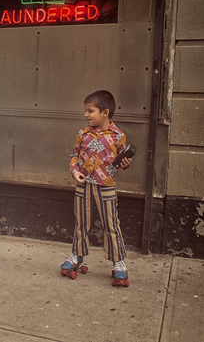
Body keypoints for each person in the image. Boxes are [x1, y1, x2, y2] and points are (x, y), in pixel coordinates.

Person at [61, 90, 133, 286]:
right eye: (86, 111)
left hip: (107, 185)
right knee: (81, 222)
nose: (86, 115)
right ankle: (77, 255)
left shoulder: (118, 136)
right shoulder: (82, 134)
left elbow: (124, 164)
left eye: (90, 111)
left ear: (105, 112)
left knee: (111, 225)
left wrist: (126, 163)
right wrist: (74, 171)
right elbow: (74, 156)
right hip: (84, 185)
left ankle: (119, 262)